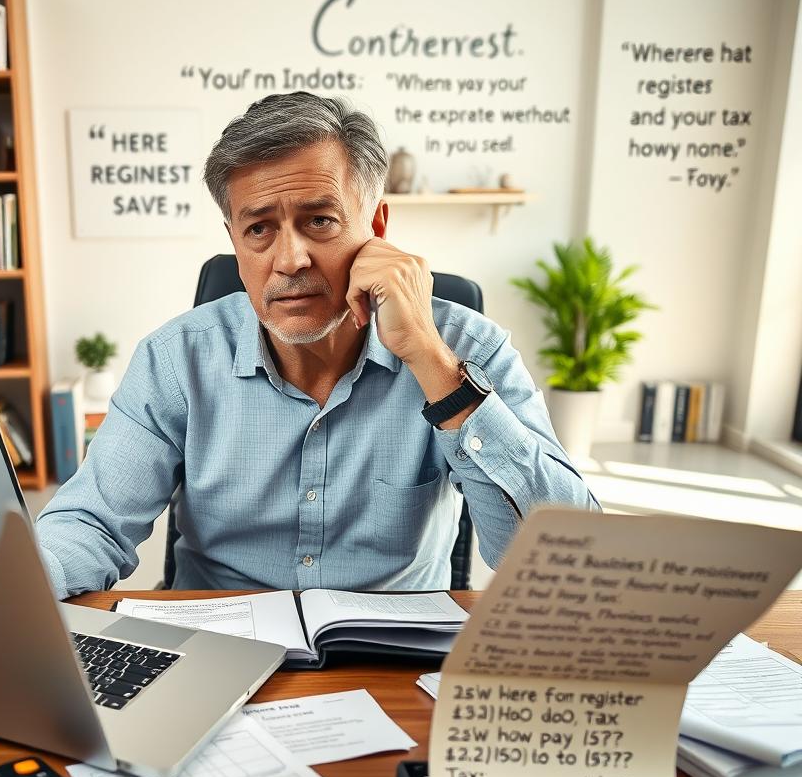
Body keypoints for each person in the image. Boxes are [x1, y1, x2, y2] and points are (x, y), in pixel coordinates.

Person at [36, 92, 599, 596]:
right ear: (234, 241)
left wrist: (430, 360)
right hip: (222, 643)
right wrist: (8, 595)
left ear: (377, 224)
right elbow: (91, 523)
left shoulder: (467, 349)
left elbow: (565, 560)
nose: (289, 260)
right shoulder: (176, 360)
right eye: (259, 229)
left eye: (320, 221)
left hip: (391, 660)